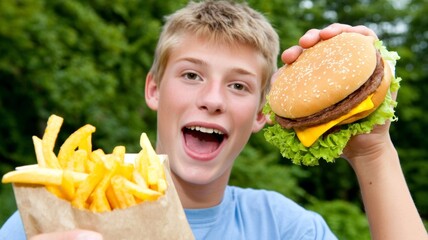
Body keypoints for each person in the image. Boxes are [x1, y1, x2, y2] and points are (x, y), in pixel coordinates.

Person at [1, 1, 426, 240]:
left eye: (239, 86)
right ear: (153, 89)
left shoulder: (285, 228)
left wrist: (373, 151)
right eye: (191, 75)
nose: (212, 100)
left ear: (263, 113)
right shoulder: (55, 211)